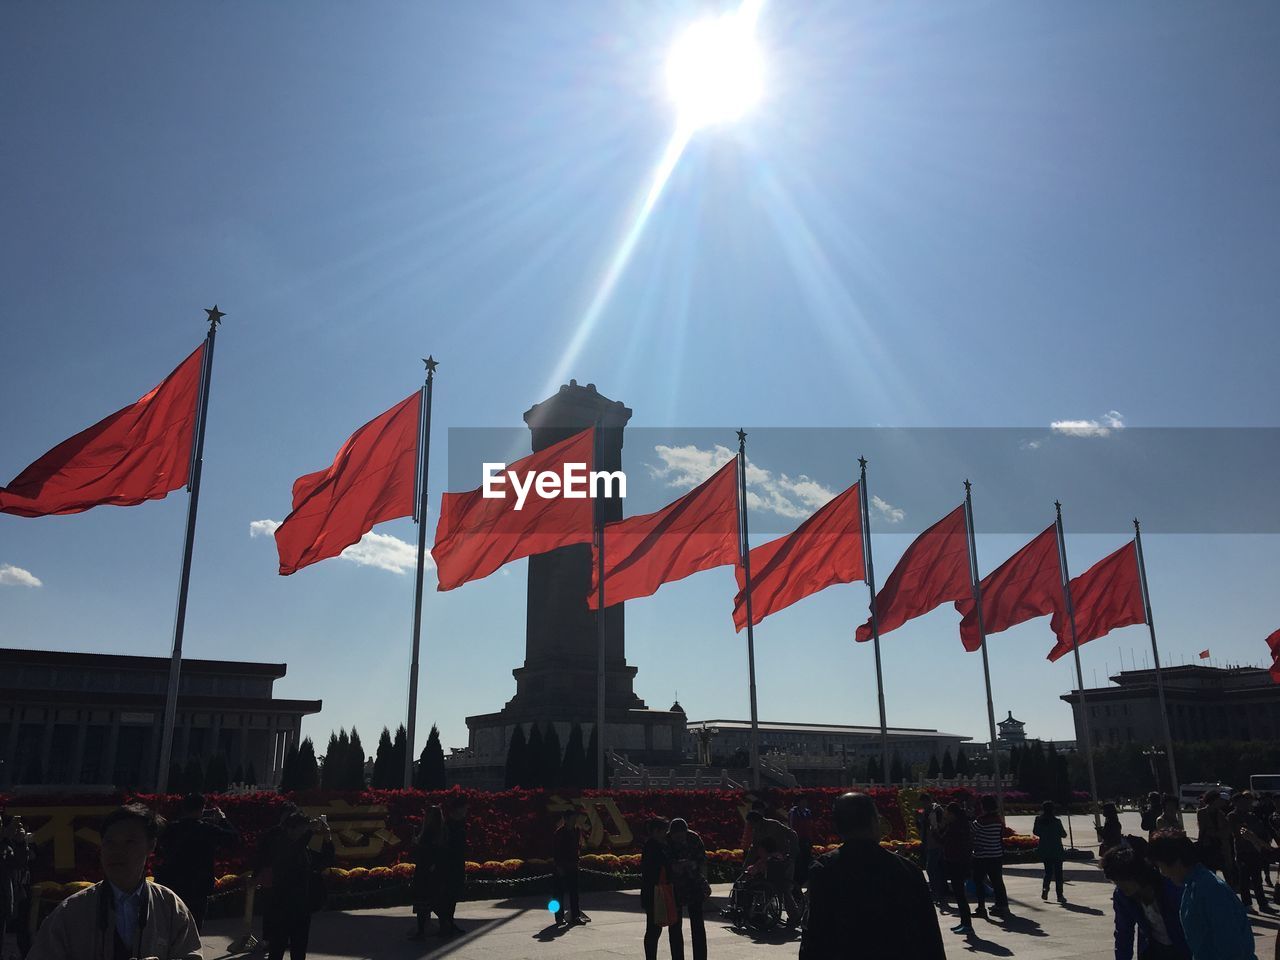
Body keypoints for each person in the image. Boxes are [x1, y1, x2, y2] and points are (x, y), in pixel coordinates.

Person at [27, 803, 202, 959]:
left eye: (129, 842)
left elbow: (191, 954)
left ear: (151, 846)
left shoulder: (170, 906)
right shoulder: (71, 911)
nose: (117, 851)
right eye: (110, 842)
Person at [800, 792, 944, 959]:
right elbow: (930, 936)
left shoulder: (823, 871)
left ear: (838, 827)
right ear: (874, 823)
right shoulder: (907, 870)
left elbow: (813, 935)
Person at [1148, 832, 1257, 960]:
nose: (1162, 873)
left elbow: (1231, 945)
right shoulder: (1193, 885)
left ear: (1177, 862)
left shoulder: (1210, 889)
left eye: (1161, 867)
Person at [154, 792, 238, 932]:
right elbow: (234, 838)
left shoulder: (171, 829)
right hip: (198, 886)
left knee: (169, 926)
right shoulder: (207, 830)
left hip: (172, 882)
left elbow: (157, 848)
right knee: (193, 927)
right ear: (202, 809)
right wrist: (222, 819)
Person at [260, 810, 335, 960]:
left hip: (302, 907)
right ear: (290, 829)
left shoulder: (305, 850)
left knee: (299, 950)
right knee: (277, 949)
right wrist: (310, 832)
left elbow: (323, 861)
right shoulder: (280, 844)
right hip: (281, 907)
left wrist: (327, 839)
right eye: (301, 828)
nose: (304, 832)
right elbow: (293, 852)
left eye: (305, 828)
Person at [1101, 844, 1191, 960]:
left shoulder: (1170, 888)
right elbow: (1124, 933)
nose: (1120, 886)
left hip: (1184, 947)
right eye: (1116, 882)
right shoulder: (1122, 896)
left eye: (1122, 881)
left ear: (1136, 875)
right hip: (1153, 949)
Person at [745, 810, 800, 925]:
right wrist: (746, 865)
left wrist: (792, 853)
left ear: (757, 821)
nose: (751, 826)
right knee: (765, 886)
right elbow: (754, 848)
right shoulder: (757, 830)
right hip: (769, 862)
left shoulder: (774, 825)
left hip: (783, 860)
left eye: (751, 823)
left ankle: (794, 917)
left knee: (784, 889)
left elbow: (793, 834)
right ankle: (765, 914)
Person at [667, 818, 708, 960]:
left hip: (693, 884)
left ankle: (700, 957)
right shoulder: (666, 840)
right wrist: (675, 865)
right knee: (674, 925)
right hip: (674, 888)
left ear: (686, 832)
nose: (678, 839)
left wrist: (693, 865)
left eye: (681, 835)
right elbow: (665, 862)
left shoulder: (694, 838)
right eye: (675, 836)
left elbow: (702, 860)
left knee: (697, 924)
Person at [1228, 791, 1275, 914]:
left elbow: (1260, 831)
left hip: (1255, 851)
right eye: (1242, 802)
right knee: (1244, 880)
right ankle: (1247, 904)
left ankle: (1263, 904)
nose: (1245, 804)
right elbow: (1239, 833)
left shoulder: (1251, 816)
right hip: (1242, 851)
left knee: (1257, 880)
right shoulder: (1233, 816)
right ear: (1236, 803)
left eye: (1246, 802)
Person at [408, 806, 450, 938]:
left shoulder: (428, 832)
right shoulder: (443, 831)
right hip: (435, 871)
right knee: (435, 901)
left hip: (424, 870)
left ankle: (421, 932)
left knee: (422, 902)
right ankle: (445, 926)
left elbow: (425, 850)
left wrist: (416, 843)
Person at [641, 818, 678, 960]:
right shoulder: (653, 846)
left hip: (656, 891)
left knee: (654, 928)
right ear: (656, 831)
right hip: (654, 892)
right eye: (664, 831)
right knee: (653, 929)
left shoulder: (658, 845)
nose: (666, 834)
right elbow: (658, 868)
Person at [1, 814, 36, 957]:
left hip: (4, 902)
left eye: (1, 824)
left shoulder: (7, 846)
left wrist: (21, 843)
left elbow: (20, 863)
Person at [937, 801, 973, 934]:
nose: (945, 814)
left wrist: (935, 830)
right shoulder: (962, 824)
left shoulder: (954, 826)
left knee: (960, 895)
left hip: (955, 862)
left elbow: (942, 840)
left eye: (947, 812)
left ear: (952, 814)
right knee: (960, 894)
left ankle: (967, 924)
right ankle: (964, 922)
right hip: (961, 861)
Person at [971, 795, 1009, 918]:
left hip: (982, 856)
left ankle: (981, 907)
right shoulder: (998, 819)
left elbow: (971, 829)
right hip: (996, 854)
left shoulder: (982, 820)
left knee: (978, 881)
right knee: (997, 881)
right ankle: (1002, 905)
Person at [437, 797, 468, 935]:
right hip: (448, 866)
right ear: (457, 809)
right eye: (464, 808)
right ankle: (445, 923)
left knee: (453, 896)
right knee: (447, 896)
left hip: (457, 865)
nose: (466, 811)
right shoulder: (448, 826)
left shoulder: (460, 824)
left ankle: (449, 921)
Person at [551, 809, 588, 927]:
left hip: (573, 866)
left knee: (574, 893)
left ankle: (576, 916)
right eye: (572, 818)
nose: (574, 821)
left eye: (575, 818)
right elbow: (556, 851)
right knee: (559, 894)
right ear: (566, 819)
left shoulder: (577, 830)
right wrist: (559, 867)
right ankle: (559, 918)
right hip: (561, 866)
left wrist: (577, 859)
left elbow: (578, 846)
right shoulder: (559, 833)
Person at [916, 793, 948, 904]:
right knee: (937, 868)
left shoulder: (936, 810)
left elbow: (941, 826)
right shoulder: (925, 812)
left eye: (924, 803)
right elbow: (922, 827)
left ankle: (937, 892)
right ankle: (940, 892)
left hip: (935, 843)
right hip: (928, 843)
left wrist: (935, 830)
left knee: (931, 868)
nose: (923, 805)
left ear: (928, 801)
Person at [1034, 800, 1068, 903]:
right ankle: (1060, 895)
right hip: (1057, 849)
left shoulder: (1038, 820)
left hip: (1045, 849)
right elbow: (1064, 834)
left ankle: (1045, 888)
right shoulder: (1057, 821)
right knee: (1058, 874)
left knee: (1048, 871)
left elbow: (1035, 832)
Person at [1197, 791, 1234, 881]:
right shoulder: (1202, 812)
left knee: (1228, 871)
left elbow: (1227, 829)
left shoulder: (1220, 813)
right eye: (1219, 800)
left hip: (1221, 846)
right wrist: (1218, 833)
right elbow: (1204, 830)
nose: (1221, 802)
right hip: (1208, 846)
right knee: (1210, 872)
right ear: (1213, 800)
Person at [789, 796, 816, 895]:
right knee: (798, 865)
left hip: (807, 841)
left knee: (808, 864)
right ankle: (796, 888)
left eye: (806, 801)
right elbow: (792, 827)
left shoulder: (807, 812)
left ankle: (806, 887)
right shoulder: (794, 812)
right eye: (803, 801)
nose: (805, 803)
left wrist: (810, 840)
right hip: (798, 841)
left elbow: (810, 827)